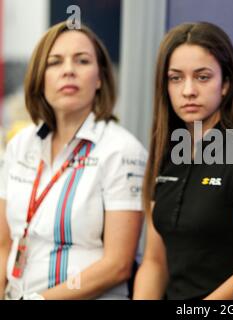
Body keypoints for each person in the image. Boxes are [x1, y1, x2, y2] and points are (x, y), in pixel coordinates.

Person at [133, 22, 233, 300]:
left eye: (202, 77)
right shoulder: (166, 154)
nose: (188, 90)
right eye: (175, 78)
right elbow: (155, 262)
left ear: (225, 83)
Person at [0, 22, 147, 300]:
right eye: (55, 62)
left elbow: (117, 266)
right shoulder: (20, 144)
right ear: (39, 78)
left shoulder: (122, 150)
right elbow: (3, 243)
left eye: (82, 61)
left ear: (100, 77)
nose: (68, 70)